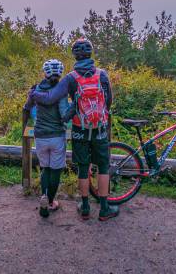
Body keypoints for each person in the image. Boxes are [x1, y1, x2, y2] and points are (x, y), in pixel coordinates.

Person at [29, 38, 118, 221]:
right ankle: (104, 208)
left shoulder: (70, 78)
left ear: (75, 56)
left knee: (83, 168)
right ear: (91, 53)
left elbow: (51, 98)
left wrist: (34, 94)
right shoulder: (102, 74)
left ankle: (85, 208)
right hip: (100, 128)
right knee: (103, 166)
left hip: (79, 129)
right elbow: (108, 101)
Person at [22, 59, 70, 218]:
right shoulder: (61, 91)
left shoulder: (36, 90)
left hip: (40, 136)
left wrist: (25, 126)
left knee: (45, 169)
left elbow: (26, 108)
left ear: (45, 72)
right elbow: (65, 115)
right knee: (55, 171)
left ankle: (44, 196)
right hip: (57, 136)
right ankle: (50, 202)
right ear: (60, 73)